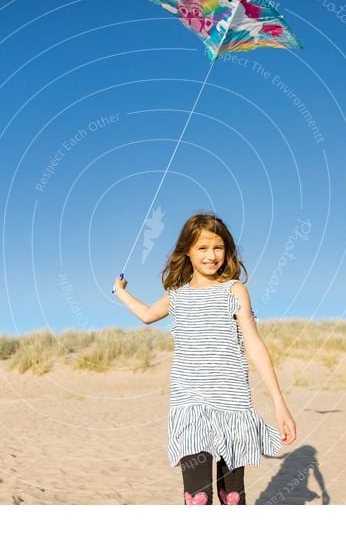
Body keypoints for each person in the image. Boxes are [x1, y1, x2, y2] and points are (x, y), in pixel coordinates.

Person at [114, 211, 296, 505]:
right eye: (202, 248)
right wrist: (121, 292)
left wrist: (279, 402)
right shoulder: (177, 295)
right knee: (197, 498)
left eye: (218, 247)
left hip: (232, 407)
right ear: (186, 250)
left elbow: (254, 343)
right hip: (190, 408)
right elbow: (147, 315)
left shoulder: (233, 290)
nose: (211, 256)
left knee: (232, 498)